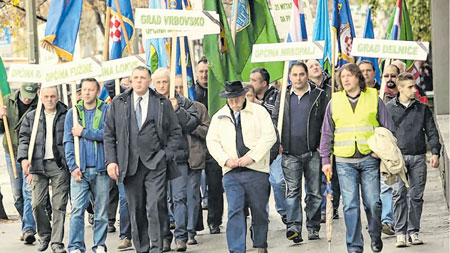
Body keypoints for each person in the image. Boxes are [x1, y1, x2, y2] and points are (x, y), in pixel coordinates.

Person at [104, 66, 182, 253]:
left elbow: (175, 132)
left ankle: (156, 247)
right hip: (129, 165)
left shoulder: (161, 102)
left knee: (155, 205)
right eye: (135, 78)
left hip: (156, 163)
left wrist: (166, 155)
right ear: (131, 81)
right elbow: (108, 134)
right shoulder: (118, 102)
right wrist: (112, 161)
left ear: (149, 81)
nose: (139, 81)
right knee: (136, 210)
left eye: (143, 78)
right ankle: (142, 248)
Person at [320, 63, 395, 253]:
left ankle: (375, 235)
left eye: (349, 76)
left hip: (369, 159)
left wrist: (381, 151)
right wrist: (325, 161)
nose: (345, 79)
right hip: (344, 162)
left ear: (358, 78)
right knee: (350, 205)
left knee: (373, 203)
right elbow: (327, 133)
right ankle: (354, 246)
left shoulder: (373, 98)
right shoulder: (334, 101)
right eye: (342, 76)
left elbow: (388, 128)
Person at [206, 81, 276, 253]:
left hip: (256, 169)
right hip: (231, 171)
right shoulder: (219, 117)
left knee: (259, 210)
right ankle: (237, 249)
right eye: (230, 98)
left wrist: (251, 157)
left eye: (237, 97)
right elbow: (212, 141)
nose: (234, 101)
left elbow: (270, 136)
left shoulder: (259, 112)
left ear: (244, 95)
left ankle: (260, 243)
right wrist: (225, 160)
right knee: (234, 210)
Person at [272, 62, 327, 242]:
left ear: (307, 75)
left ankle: (313, 226)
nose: (298, 78)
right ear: (289, 77)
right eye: (294, 75)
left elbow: (327, 122)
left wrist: (323, 144)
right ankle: (294, 227)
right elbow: (275, 120)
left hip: (313, 152)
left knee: (314, 193)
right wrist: (277, 142)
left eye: (301, 74)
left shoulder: (319, 95)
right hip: (289, 152)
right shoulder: (283, 96)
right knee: (292, 192)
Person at [386, 72, 441, 247]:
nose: (413, 89)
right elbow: (383, 133)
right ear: (400, 88)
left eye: (414, 86)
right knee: (399, 195)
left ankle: (413, 231)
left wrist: (435, 152)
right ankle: (400, 232)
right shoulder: (388, 108)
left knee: (416, 196)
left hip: (418, 156)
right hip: (397, 159)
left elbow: (431, 131)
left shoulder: (422, 108)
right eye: (409, 87)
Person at [17, 86, 70, 253]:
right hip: (38, 165)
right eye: (46, 96)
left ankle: (56, 242)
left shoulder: (67, 114)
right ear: (40, 97)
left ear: (58, 97)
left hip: (59, 165)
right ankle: (45, 234)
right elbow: (24, 138)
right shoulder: (32, 117)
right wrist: (24, 158)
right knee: (37, 203)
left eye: (53, 96)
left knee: (58, 205)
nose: (49, 99)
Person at [153, 68, 200, 251]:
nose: (162, 86)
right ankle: (165, 237)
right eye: (158, 82)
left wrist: (177, 110)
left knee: (180, 198)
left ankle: (181, 236)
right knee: (161, 200)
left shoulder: (183, 102)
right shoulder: (150, 103)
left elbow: (191, 124)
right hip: (157, 159)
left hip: (179, 158)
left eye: (165, 82)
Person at [64, 78, 110, 253]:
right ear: (80, 91)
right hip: (79, 171)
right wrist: (72, 166)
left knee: (101, 212)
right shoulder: (73, 113)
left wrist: (84, 132)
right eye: (84, 89)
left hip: (101, 169)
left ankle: (99, 244)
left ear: (98, 92)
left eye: (91, 90)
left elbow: (107, 134)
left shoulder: (106, 109)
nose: (87, 93)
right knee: (76, 210)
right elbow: (68, 141)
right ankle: (75, 246)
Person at [0, 83, 38, 244]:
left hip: (29, 154)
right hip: (11, 151)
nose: (27, 100)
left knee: (27, 191)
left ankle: (29, 228)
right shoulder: (7, 101)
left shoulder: (38, 104)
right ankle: (27, 222)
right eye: (25, 96)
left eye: (31, 97)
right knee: (17, 196)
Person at [175, 76, 210, 245]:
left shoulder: (198, 108)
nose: (179, 90)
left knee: (193, 195)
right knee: (177, 197)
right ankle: (178, 227)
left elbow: (207, 130)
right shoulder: (167, 107)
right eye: (176, 87)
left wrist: (190, 124)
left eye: (182, 87)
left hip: (194, 157)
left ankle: (190, 231)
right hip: (176, 160)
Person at [249, 67, 287, 225]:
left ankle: (285, 212)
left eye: (254, 81)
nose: (251, 83)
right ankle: (261, 215)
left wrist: (258, 104)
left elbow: (276, 114)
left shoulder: (277, 95)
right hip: (255, 149)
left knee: (278, 181)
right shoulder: (247, 97)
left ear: (264, 83)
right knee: (259, 185)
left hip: (274, 148)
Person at [194, 56, 224, 235]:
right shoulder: (192, 93)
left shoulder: (218, 92)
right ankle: (196, 223)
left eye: (207, 72)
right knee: (193, 187)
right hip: (196, 144)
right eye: (201, 72)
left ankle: (215, 221)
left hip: (215, 145)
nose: (204, 75)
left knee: (214, 186)